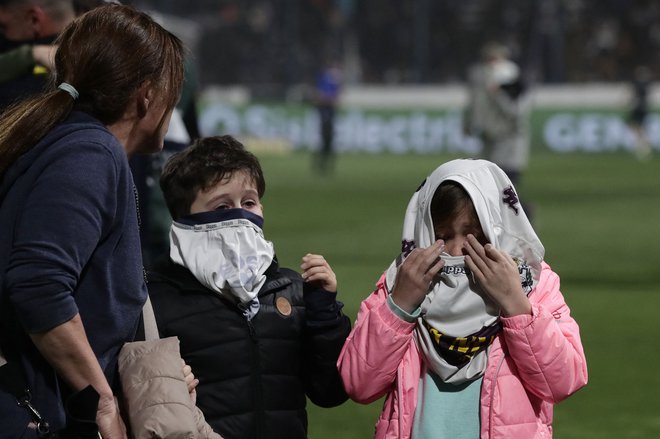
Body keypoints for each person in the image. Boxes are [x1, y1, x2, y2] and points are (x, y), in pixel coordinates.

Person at [0, 4, 184, 438]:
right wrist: (104, 404)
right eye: (171, 90)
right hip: (38, 413)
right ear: (146, 95)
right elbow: (39, 286)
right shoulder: (89, 153)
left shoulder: (66, 140)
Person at [338, 159, 588, 438]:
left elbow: (563, 382)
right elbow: (358, 384)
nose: (457, 251)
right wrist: (400, 308)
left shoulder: (533, 284)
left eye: (474, 236)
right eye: (443, 237)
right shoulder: (401, 281)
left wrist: (516, 304)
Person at [148, 135, 351, 439]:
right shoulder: (156, 299)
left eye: (249, 202)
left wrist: (325, 316)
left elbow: (331, 391)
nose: (240, 214)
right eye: (222, 206)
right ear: (184, 219)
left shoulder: (292, 291)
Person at [463, 42, 530, 188]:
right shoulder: (481, 79)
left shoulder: (511, 76)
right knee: (489, 182)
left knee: (507, 183)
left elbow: (516, 111)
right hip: (490, 136)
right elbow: (474, 104)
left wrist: (499, 94)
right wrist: (468, 123)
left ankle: (524, 209)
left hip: (510, 137)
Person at [0, 0, 77, 110]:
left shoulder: (16, 91)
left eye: (4, 27)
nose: (4, 35)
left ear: (34, 19)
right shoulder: (101, 54)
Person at [313, 59, 342, 175]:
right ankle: (321, 164)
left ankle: (324, 165)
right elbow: (320, 97)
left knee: (329, 141)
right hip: (324, 113)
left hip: (329, 113)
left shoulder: (333, 81)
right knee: (324, 140)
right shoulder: (325, 79)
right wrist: (329, 99)